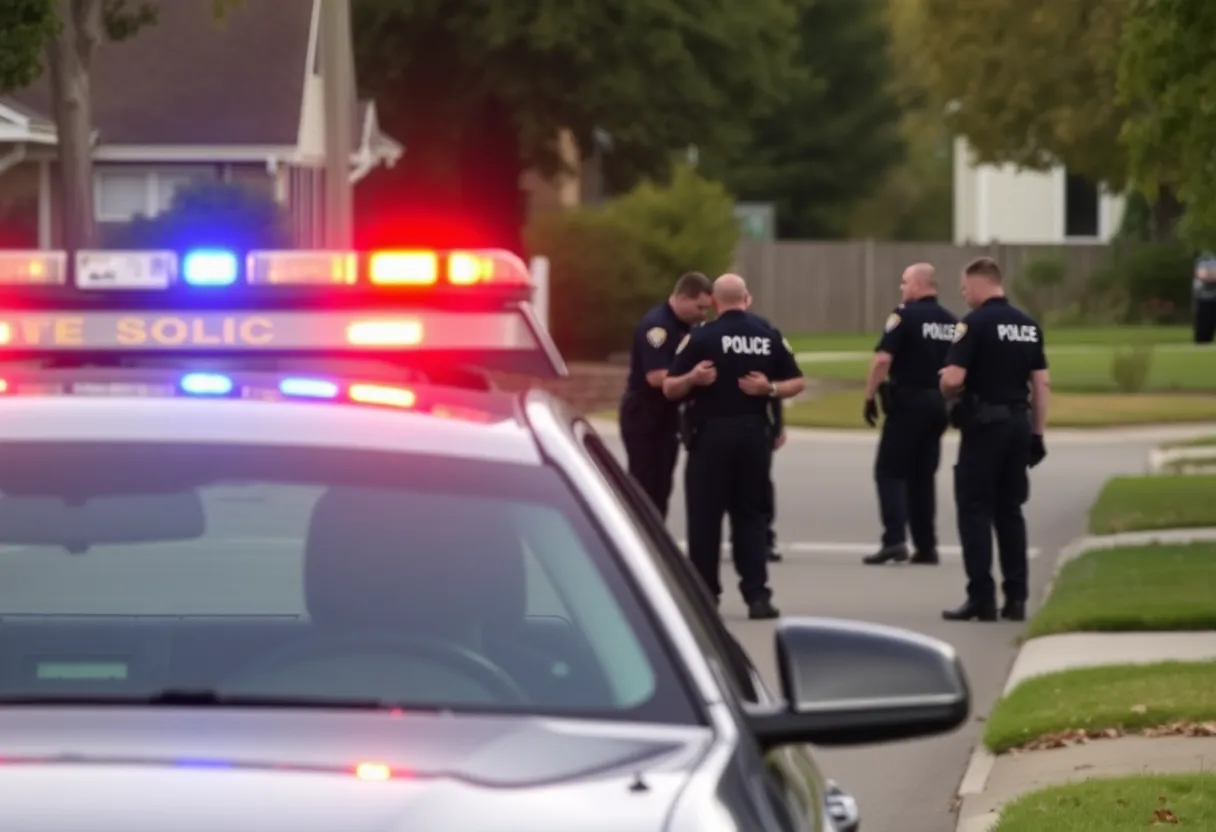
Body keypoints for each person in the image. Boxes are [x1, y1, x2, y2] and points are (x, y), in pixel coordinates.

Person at [663, 274, 805, 619]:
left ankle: (705, 596)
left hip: (710, 436)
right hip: (754, 435)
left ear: (714, 301)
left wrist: (692, 379)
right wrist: (768, 389)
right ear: (747, 298)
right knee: (751, 516)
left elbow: (669, 388)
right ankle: (757, 597)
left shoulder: (701, 337)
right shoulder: (768, 334)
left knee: (704, 518)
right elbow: (797, 381)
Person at [939, 257, 1050, 623]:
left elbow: (954, 379)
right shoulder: (1028, 326)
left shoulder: (972, 324)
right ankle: (1016, 599)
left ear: (981, 283)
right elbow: (1041, 384)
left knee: (974, 510)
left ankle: (981, 598)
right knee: (1010, 512)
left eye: (965, 287)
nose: (962, 293)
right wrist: (1038, 432)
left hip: (984, 427)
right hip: (1018, 424)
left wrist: (943, 382)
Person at [861, 263, 957, 567]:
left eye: (904, 282)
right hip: (939, 404)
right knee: (922, 476)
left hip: (910, 402)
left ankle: (894, 540)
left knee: (889, 471)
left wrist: (869, 396)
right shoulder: (951, 321)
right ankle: (926, 545)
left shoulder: (903, 315)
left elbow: (882, 360)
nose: (901, 288)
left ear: (919, 284)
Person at [619, 272, 713, 519]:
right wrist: (693, 378)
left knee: (662, 486)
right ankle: (639, 538)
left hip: (667, 417)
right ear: (682, 297)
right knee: (645, 485)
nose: (703, 314)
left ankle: (655, 536)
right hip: (645, 416)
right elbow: (656, 377)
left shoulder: (688, 326)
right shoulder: (658, 327)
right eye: (700, 307)